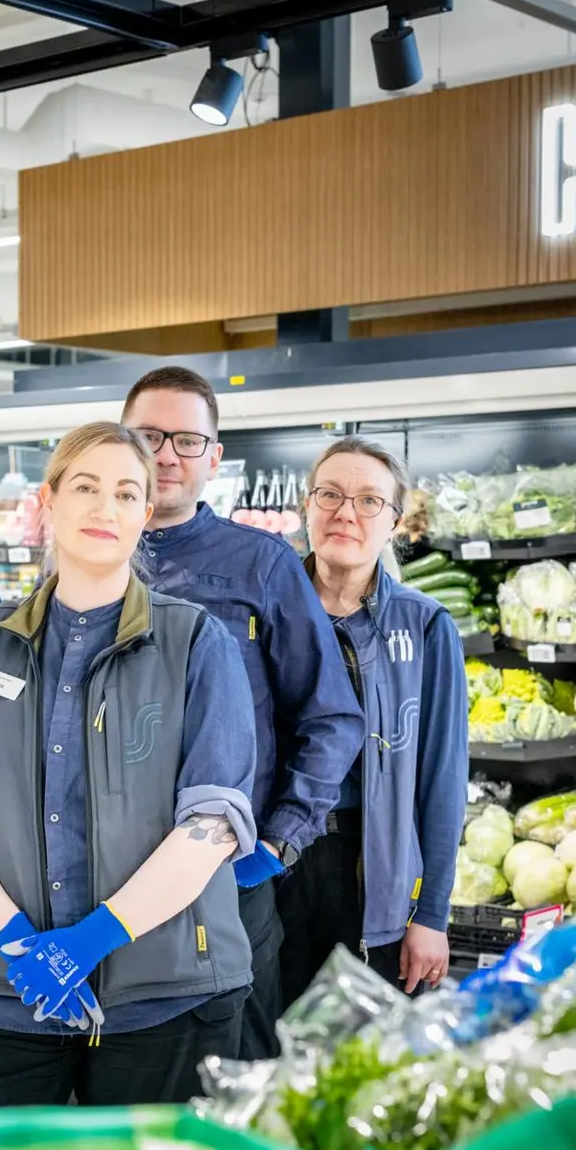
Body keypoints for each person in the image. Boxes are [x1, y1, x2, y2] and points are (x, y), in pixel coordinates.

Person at [0, 420, 257, 1150]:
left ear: (146, 514)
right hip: (1, 992)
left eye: (128, 492)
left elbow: (214, 822)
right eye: (85, 487)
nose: (106, 506)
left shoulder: (196, 642)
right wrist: (21, 946)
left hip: (168, 995)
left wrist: (92, 941)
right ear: (48, 503)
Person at [121, 366, 365, 1055]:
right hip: (109, 883)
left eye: (187, 441)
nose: (167, 455)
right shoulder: (86, 562)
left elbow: (332, 717)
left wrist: (280, 840)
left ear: (214, 458)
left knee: (240, 1065)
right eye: (148, 436)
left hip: (227, 878)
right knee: (134, 1079)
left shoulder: (260, 563)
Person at [277, 436, 467, 1002]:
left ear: (394, 522)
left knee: (367, 1058)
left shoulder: (427, 626)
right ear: (306, 505)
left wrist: (430, 915)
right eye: (330, 494)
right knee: (268, 1056)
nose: (345, 513)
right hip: (274, 866)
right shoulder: (264, 613)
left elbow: (442, 781)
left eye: (368, 501)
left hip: (374, 871)